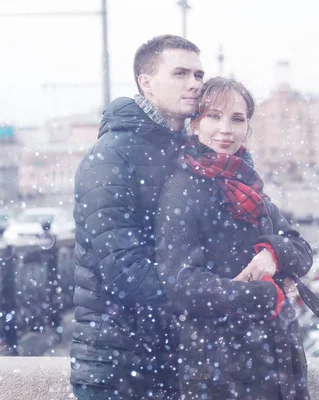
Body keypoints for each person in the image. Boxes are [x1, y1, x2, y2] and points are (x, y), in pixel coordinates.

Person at [154, 77, 313, 400]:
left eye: (237, 119)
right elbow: (181, 284)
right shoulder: (183, 189)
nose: (225, 129)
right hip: (222, 364)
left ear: (247, 128)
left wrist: (273, 254)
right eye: (213, 116)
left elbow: (302, 250)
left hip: (277, 359)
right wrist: (264, 297)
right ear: (195, 125)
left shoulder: (247, 184)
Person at [70, 34, 204, 400]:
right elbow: (123, 268)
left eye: (198, 74)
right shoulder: (112, 155)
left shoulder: (192, 153)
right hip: (116, 364)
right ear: (146, 83)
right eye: (180, 73)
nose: (194, 84)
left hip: (173, 359)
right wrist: (214, 298)